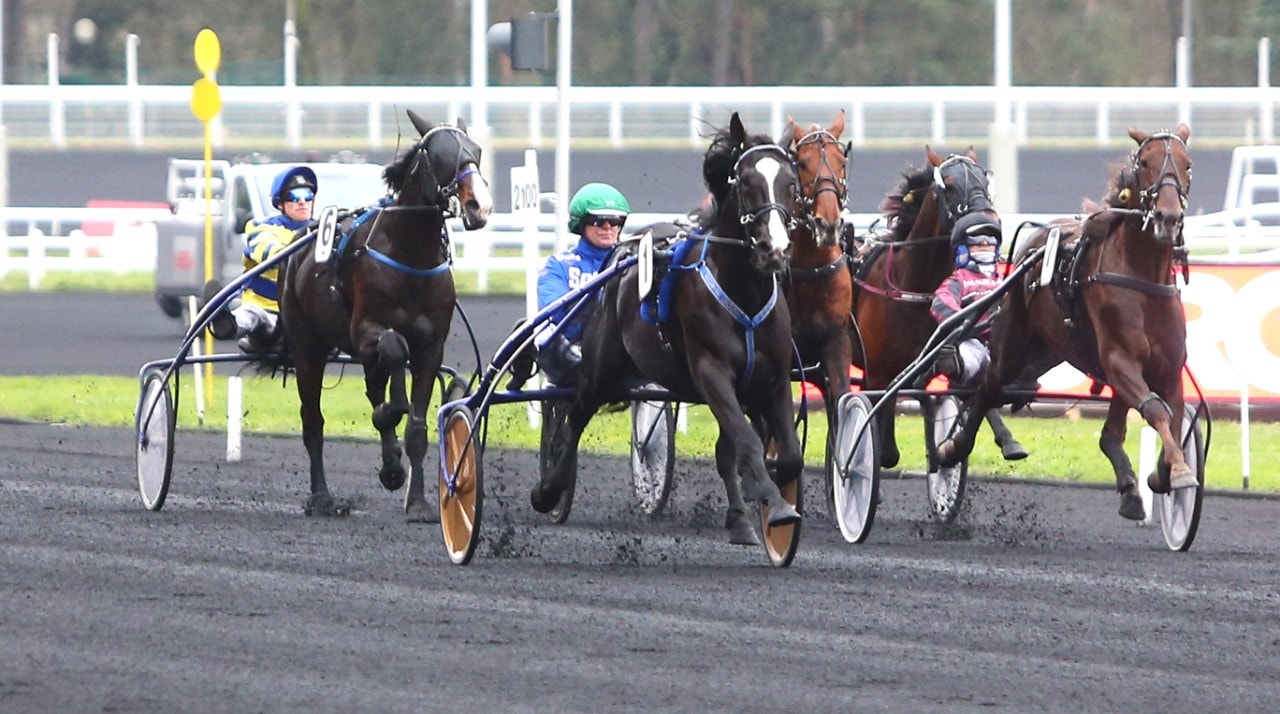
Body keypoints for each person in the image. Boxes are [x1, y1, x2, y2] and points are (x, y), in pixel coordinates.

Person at [509, 182, 630, 387]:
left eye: (614, 221)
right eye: (598, 221)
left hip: (621, 350)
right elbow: (555, 311)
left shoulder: (632, 263)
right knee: (531, 327)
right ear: (581, 224)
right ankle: (523, 370)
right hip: (572, 354)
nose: (608, 227)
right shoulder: (559, 265)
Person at [206, 165, 317, 353]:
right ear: (280, 203)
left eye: (307, 196)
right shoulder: (262, 227)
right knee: (253, 315)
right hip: (268, 312)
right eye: (294, 196)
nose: (302, 202)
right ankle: (228, 324)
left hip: (309, 318)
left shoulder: (324, 230)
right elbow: (266, 251)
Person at [930, 212, 1004, 386]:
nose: (985, 244)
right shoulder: (959, 279)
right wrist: (966, 325)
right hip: (972, 341)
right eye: (977, 241)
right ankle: (955, 366)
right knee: (970, 354)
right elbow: (941, 302)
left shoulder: (1006, 279)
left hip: (1004, 343)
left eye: (990, 241)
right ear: (962, 248)